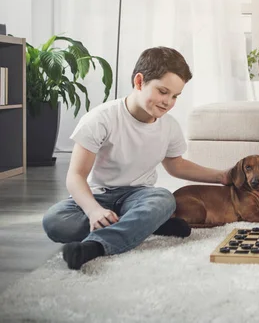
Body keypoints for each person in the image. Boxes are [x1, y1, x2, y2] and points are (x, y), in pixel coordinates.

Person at [43, 47, 228, 270]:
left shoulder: (169, 126)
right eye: (162, 91)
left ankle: (96, 247)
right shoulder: (101, 119)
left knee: (163, 199)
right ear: (139, 82)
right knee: (54, 221)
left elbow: (176, 165)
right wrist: (93, 210)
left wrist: (222, 176)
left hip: (139, 196)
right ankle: (146, 225)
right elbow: (76, 176)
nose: (168, 102)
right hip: (99, 196)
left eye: (175, 96)